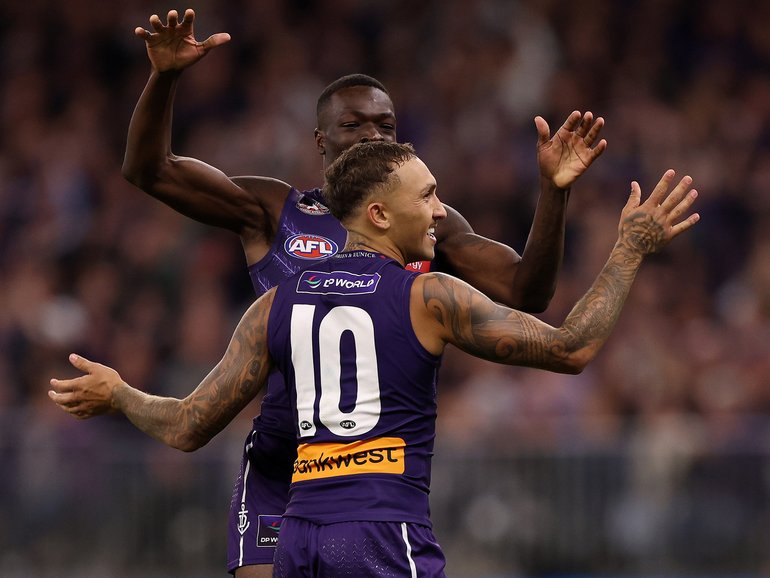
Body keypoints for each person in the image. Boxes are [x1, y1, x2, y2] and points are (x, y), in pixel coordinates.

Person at [50, 141, 699, 577]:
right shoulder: (430, 298)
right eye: (428, 196)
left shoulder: (273, 307)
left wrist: (118, 394)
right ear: (381, 214)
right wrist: (630, 250)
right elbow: (572, 347)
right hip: (382, 535)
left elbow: (189, 425)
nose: (441, 208)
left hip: (299, 539)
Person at [121, 8, 607, 577]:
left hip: (366, 471)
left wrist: (553, 193)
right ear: (321, 140)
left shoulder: (429, 225)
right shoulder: (275, 210)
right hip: (282, 463)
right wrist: (166, 76)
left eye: (386, 126)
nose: (374, 136)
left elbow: (527, 289)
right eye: (356, 125)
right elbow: (150, 170)